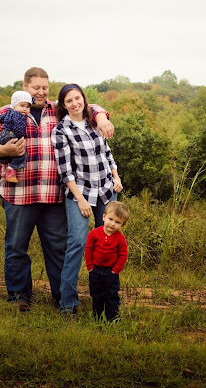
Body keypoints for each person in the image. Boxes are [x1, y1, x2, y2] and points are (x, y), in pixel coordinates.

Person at [0, 67, 113, 312]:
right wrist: (3, 150)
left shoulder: (56, 110)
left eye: (44, 88)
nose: (40, 92)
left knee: (58, 248)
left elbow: (87, 106)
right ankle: (19, 296)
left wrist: (102, 118)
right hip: (19, 194)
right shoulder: (8, 111)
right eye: (35, 88)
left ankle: (61, 297)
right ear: (25, 86)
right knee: (16, 247)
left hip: (53, 196)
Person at [51, 83, 123, 315]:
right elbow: (65, 171)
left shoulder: (94, 122)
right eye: (69, 101)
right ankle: (67, 304)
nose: (75, 103)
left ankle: (107, 302)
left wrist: (116, 177)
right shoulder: (61, 131)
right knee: (76, 244)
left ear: (83, 98)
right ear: (63, 105)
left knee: (109, 243)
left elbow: (107, 154)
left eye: (77, 98)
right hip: (79, 193)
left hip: (105, 190)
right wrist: (80, 199)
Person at [85, 200, 129, 322]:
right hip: (95, 270)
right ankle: (98, 317)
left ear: (122, 225)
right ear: (104, 217)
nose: (112, 224)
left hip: (111, 272)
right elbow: (88, 249)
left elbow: (123, 255)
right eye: (110, 219)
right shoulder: (94, 233)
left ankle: (112, 317)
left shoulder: (120, 238)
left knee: (111, 294)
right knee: (96, 294)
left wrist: (116, 270)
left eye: (117, 222)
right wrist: (90, 267)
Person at [0, 91, 33, 183]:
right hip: (11, 135)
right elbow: (19, 128)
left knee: (6, 153)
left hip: (2, 135)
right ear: (14, 105)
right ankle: (11, 170)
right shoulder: (20, 116)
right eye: (22, 106)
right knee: (21, 153)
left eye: (27, 107)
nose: (25, 109)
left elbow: (0, 119)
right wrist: (20, 138)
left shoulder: (9, 112)